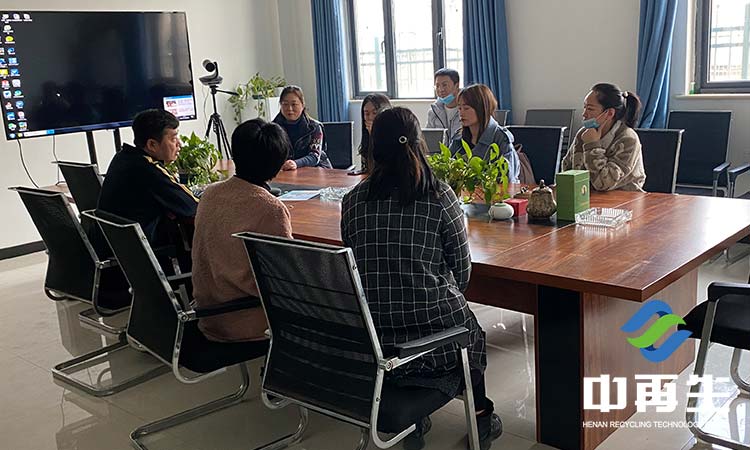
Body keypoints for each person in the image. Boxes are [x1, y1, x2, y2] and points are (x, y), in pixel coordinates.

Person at [341, 107, 502, 450]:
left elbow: (356, 265)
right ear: (418, 144)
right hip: (437, 343)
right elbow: (462, 272)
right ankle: (481, 417)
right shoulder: (439, 196)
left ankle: (415, 420)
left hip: (376, 340)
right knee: (469, 329)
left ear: (373, 148)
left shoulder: (353, 201)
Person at [191, 118, 292, 342]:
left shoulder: (210, 193)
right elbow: (284, 277)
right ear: (278, 163)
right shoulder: (270, 208)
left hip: (207, 314)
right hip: (246, 322)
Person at [98, 109, 198, 246]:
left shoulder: (123, 157)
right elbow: (191, 206)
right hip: (137, 247)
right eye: (173, 139)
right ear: (152, 145)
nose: (179, 144)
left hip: (114, 243)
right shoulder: (149, 169)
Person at [561, 83, 646, 191]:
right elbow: (567, 170)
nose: (584, 114)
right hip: (587, 197)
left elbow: (603, 184)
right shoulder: (583, 133)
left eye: (590, 109)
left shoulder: (628, 139)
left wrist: (592, 145)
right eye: (584, 108)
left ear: (609, 113)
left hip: (624, 198)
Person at [449, 84, 520, 183]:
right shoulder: (458, 138)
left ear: (481, 109)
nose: (461, 113)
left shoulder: (500, 137)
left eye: (466, 108)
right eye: (459, 108)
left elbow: (507, 178)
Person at [272, 85, 332, 170]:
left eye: (294, 104)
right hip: (286, 171)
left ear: (302, 105)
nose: (289, 108)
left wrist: (296, 163)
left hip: (317, 170)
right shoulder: (272, 128)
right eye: (285, 104)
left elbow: (314, 156)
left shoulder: (314, 127)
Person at [427, 68, 462, 144]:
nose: (441, 89)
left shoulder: (467, 109)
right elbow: (429, 139)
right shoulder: (433, 111)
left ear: (457, 85)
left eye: (445, 85)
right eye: (437, 86)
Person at [358, 93, 391, 172]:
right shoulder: (367, 136)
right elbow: (369, 169)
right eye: (366, 113)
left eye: (375, 113)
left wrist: (374, 136)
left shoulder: (393, 136)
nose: (370, 117)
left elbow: (383, 167)